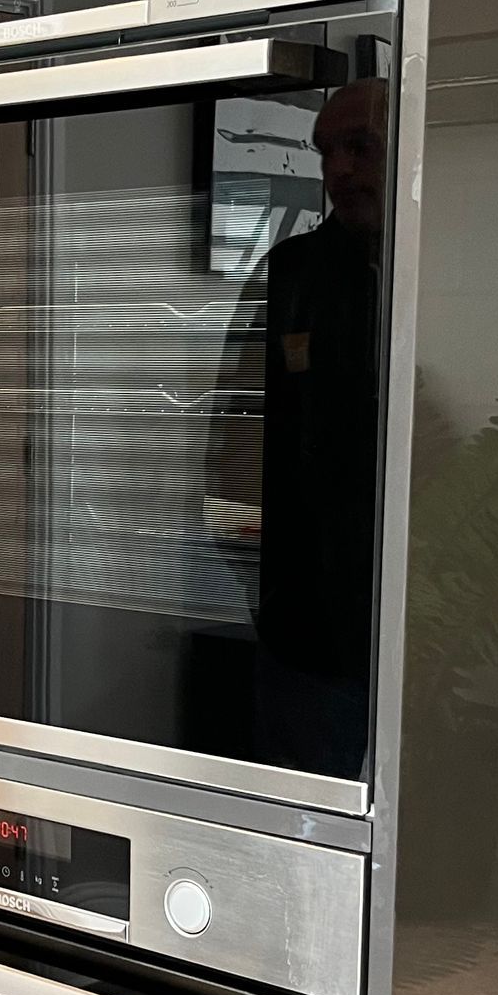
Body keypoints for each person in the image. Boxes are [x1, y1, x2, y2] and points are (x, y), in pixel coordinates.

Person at [207, 77, 387, 777]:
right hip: (300, 630)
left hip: (419, 631)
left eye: (360, 147)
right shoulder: (291, 273)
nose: (338, 169)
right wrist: (259, 575)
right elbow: (230, 436)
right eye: (326, 152)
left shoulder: (444, 265)